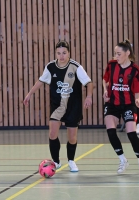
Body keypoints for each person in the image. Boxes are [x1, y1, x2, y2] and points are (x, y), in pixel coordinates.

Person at [23, 40, 93, 172]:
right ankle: (56, 161)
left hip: (73, 106)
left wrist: (88, 97)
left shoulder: (76, 67)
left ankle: (71, 161)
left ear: (69, 53)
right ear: (56, 53)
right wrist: (29, 93)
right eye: (59, 53)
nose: (61, 56)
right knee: (52, 133)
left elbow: (89, 83)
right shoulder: (50, 67)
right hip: (57, 106)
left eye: (64, 53)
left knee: (72, 137)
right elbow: (41, 80)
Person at [103, 39, 139, 174]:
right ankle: (122, 159)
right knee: (111, 131)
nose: (116, 56)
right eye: (115, 54)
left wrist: (138, 99)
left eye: (118, 54)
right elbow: (105, 79)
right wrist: (105, 90)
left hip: (128, 104)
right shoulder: (111, 65)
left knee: (131, 134)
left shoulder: (135, 70)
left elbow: (138, 90)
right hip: (112, 103)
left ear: (127, 53)